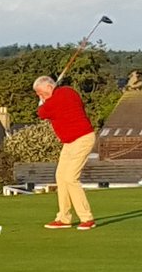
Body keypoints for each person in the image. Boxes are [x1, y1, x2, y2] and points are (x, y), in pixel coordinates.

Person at [33, 75, 96, 230]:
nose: (41, 97)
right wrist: (45, 99)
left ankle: (87, 218)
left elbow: (41, 113)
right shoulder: (69, 91)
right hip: (70, 142)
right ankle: (64, 217)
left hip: (82, 139)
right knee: (61, 176)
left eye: (41, 93)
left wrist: (42, 102)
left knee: (70, 177)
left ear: (49, 87)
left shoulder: (55, 100)